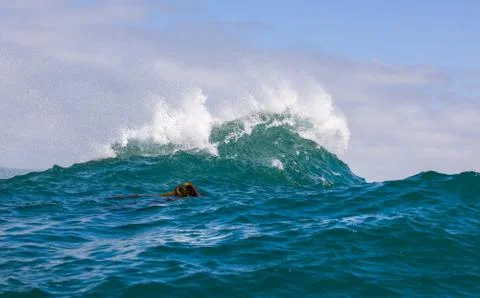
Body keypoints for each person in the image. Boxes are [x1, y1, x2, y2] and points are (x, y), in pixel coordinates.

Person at [109, 182, 199, 199]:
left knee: (135, 196)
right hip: (154, 198)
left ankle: (113, 198)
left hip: (152, 196)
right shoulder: (175, 197)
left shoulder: (174, 195)